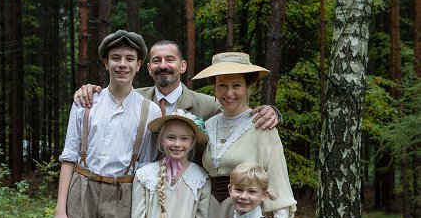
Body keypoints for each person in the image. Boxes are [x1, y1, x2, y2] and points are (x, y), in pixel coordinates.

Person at [53, 30, 161, 218]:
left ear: (139, 65)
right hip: (83, 189)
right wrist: (60, 212)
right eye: (115, 58)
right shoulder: (85, 102)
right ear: (105, 63)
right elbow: (69, 157)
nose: (121, 64)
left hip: (125, 193)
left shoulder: (151, 111)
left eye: (129, 58)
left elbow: (148, 167)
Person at [193, 52, 297, 218]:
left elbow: (277, 177)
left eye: (236, 85)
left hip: (245, 214)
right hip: (210, 214)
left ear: (248, 86)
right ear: (214, 88)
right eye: (222, 85)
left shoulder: (261, 125)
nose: (229, 93)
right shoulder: (208, 125)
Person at [73, 40, 281, 129]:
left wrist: (273, 113)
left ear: (182, 66)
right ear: (148, 68)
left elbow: (239, 119)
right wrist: (90, 89)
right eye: (156, 61)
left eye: (169, 60)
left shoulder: (209, 106)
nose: (163, 66)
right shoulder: (132, 98)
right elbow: (109, 98)